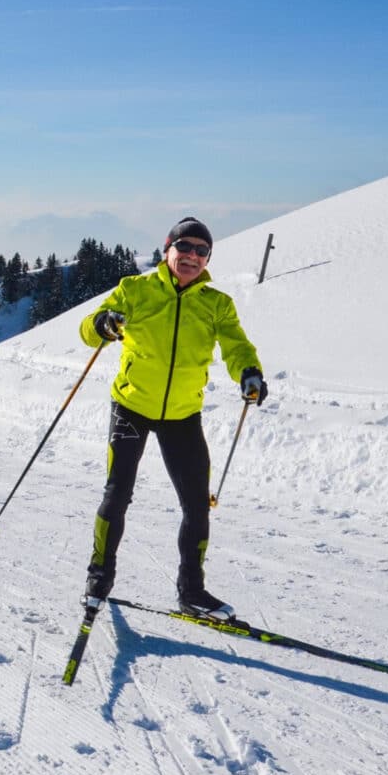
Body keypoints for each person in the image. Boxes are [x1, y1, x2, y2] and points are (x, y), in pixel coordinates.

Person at [79, 217, 267, 622]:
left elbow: (236, 345)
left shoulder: (216, 304)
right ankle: (99, 578)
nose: (192, 256)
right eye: (185, 246)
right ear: (168, 250)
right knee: (117, 494)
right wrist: (101, 324)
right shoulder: (136, 290)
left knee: (197, 506)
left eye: (202, 251)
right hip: (131, 406)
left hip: (182, 415)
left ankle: (192, 592)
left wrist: (249, 371)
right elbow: (89, 330)